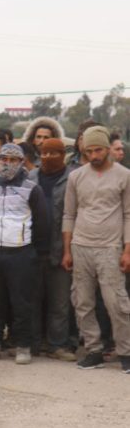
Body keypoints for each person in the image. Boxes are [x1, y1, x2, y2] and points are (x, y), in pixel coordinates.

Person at [62, 126, 130, 374]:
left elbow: (129, 214)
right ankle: (93, 350)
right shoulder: (76, 176)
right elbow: (69, 214)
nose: (93, 155)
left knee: (116, 303)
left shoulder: (124, 175)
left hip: (110, 248)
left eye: (98, 150)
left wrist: (127, 250)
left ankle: (126, 351)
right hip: (80, 246)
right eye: (89, 151)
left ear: (108, 148)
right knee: (82, 301)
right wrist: (67, 250)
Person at [0, 143, 49, 364]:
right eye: (3, 159)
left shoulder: (32, 189)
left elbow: (42, 223)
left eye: (12, 160)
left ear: (21, 162)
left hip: (21, 253)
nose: (7, 164)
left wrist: (37, 253)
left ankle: (23, 345)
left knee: (22, 303)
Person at [27, 138, 76, 361]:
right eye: (44, 153)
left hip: (60, 250)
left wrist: (69, 250)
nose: (48, 158)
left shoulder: (72, 178)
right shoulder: (31, 177)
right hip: (32, 250)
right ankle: (33, 344)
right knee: (33, 301)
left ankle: (58, 345)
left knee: (60, 302)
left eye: (53, 153)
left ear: (62, 155)